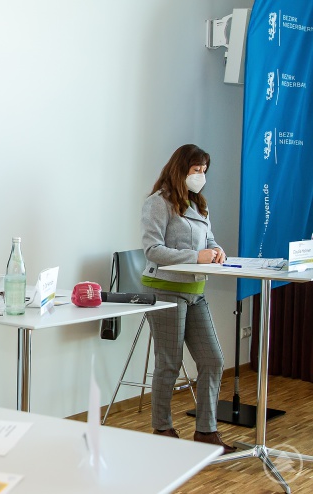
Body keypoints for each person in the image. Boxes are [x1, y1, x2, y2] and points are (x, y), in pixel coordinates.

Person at [141, 143, 235, 454]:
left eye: (204, 172)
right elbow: (153, 250)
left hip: (196, 292)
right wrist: (198, 256)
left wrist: (217, 250)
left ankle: (206, 432)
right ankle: (162, 427)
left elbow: (209, 240)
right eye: (196, 171)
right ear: (181, 169)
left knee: (213, 359)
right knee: (169, 362)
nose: (200, 177)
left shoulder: (199, 205)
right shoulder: (158, 203)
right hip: (165, 288)